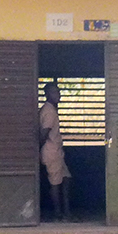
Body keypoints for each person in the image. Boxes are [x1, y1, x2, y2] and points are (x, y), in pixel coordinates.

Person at [39, 81, 70, 221]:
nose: (58, 95)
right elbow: (44, 133)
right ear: (47, 95)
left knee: (66, 179)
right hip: (51, 152)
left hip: (56, 152)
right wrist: (39, 149)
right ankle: (58, 214)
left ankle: (66, 212)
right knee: (55, 183)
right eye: (54, 92)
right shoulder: (49, 112)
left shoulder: (48, 109)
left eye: (58, 92)